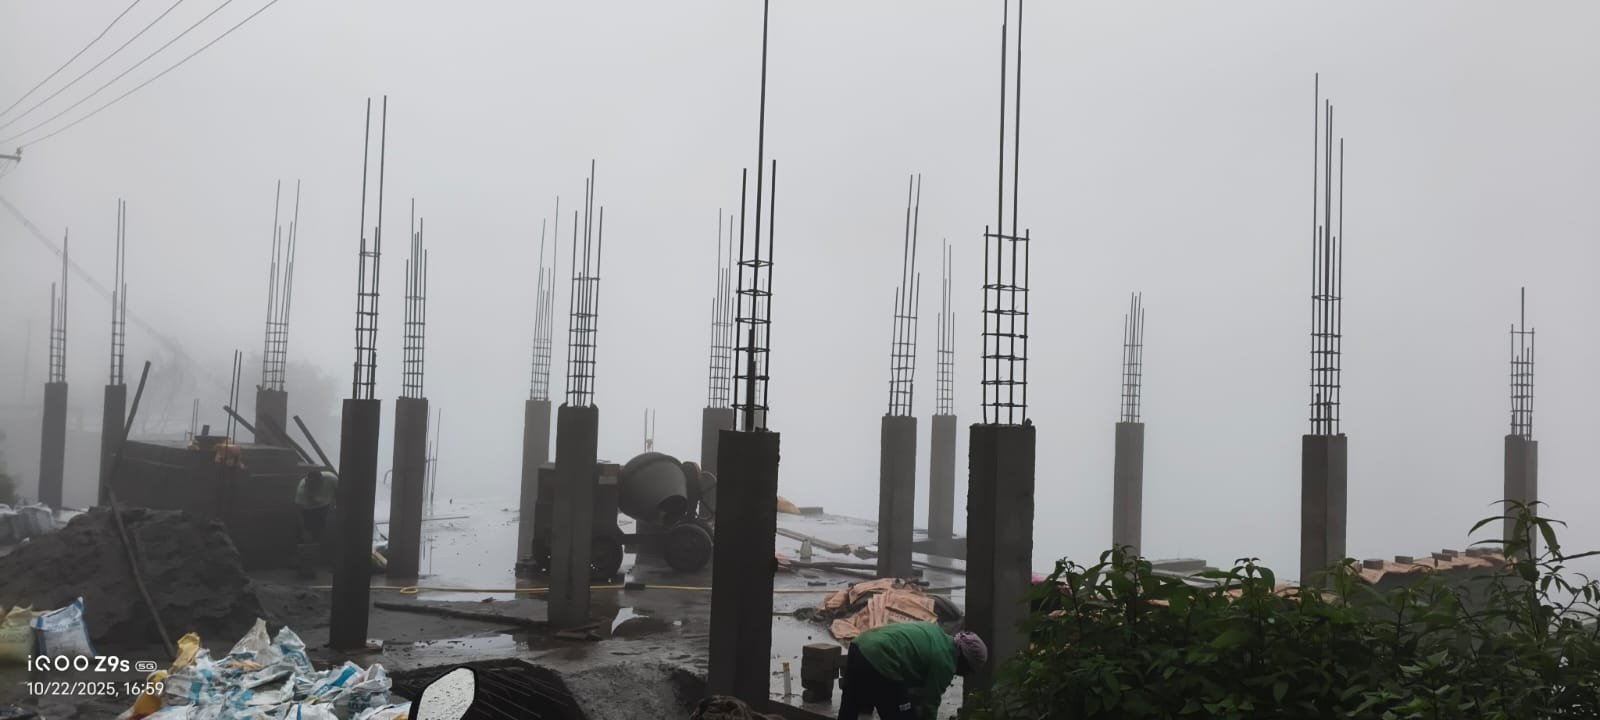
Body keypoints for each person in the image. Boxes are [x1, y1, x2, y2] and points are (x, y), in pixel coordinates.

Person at [837, 622, 987, 720]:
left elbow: (914, 683)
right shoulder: (946, 661)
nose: (965, 675)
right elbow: (930, 704)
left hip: (860, 644)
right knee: (901, 716)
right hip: (880, 657)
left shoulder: (936, 634)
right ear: (964, 659)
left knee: (849, 707)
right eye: (968, 670)